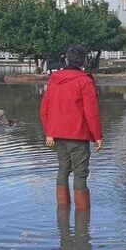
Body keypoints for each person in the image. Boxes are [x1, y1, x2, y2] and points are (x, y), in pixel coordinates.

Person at [41, 45, 103, 209]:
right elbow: (91, 113)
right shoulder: (85, 81)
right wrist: (97, 136)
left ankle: (63, 209)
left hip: (57, 135)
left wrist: (49, 132)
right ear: (83, 62)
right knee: (80, 174)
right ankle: (83, 217)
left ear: (66, 60)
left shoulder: (54, 79)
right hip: (78, 135)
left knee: (62, 170)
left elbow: (45, 108)